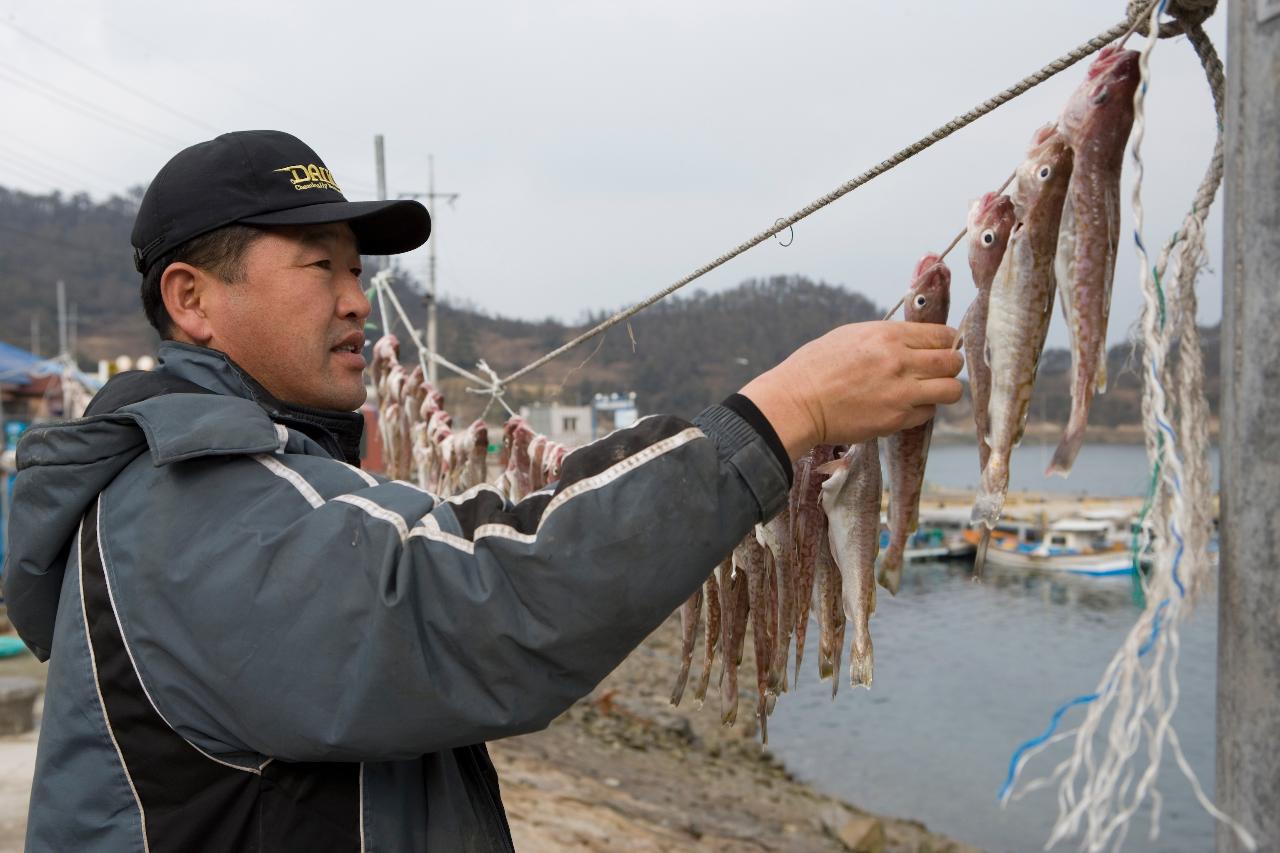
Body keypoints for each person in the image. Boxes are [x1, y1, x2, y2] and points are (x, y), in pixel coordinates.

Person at [2, 130, 962, 852]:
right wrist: (781, 411)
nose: (355, 298)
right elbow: (483, 603)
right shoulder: (193, 507)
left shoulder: (255, 486)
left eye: (359, 269)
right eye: (321, 266)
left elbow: (479, 541)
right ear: (192, 300)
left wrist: (746, 437)